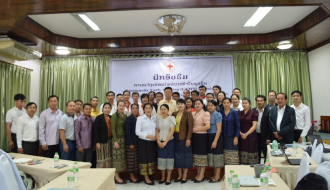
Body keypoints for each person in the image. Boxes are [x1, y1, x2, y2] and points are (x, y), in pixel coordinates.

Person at [172, 99, 193, 184]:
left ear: (185, 105)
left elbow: (190, 127)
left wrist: (188, 139)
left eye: (182, 104)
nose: (180, 105)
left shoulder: (188, 113)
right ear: (176, 105)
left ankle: (184, 176)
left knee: (186, 157)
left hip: (184, 138)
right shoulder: (174, 114)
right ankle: (179, 175)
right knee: (178, 157)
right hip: (175, 137)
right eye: (178, 104)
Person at [135, 103, 157, 185]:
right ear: (144, 110)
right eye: (146, 108)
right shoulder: (140, 118)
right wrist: (148, 136)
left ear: (152, 109)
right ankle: (146, 178)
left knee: (151, 159)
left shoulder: (155, 118)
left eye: (149, 108)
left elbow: (156, 129)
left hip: (152, 142)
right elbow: (137, 132)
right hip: (144, 142)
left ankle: (150, 175)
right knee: (144, 159)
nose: (148, 109)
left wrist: (155, 137)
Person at [192, 99, 210, 183]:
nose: (197, 105)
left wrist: (195, 130)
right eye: (196, 104)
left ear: (203, 105)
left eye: (199, 104)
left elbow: (207, 126)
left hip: (202, 136)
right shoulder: (193, 113)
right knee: (197, 156)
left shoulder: (205, 113)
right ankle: (198, 174)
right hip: (195, 136)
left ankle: (202, 175)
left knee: (202, 156)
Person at [156, 104, 175, 185]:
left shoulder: (171, 118)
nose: (163, 111)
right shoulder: (158, 119)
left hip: (169, 141)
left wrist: (165, 142)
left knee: (169, 159)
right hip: (160, 141)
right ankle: (163, 177)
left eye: (165, 109)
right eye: (162, 109)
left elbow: (172, 131)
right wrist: (158, 141)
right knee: (162, 159)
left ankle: (168, 177)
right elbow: (157, 130)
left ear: (168, 110)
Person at [207, 100, 224, 183]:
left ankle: (217, 176)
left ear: (215, 106)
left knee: (217, 157)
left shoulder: (217, 114)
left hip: (216, 136)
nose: (210, 107)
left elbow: (219, 129)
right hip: (209, 136)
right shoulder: (208, 114)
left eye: (211, 105)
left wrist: (215, 141)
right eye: (208, 105)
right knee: (213, 157)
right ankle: (214, 175)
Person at [238, 97, 258, 165]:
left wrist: (246, 134)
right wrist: (240, 133)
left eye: (246, 103)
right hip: (241, 136)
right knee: (242, 153)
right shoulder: (239, 113)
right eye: (243, 103)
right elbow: (237, 125)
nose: (244, 104)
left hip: (251, 136)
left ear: (250, 104)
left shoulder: (254, 112)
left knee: (251, 152)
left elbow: (254, 125)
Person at [111, 100, 127, 184]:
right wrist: (115, 140)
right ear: (117, 107)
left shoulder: (124, 116)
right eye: (120, 105)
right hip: (117, 139)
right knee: (116, 158)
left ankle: (119, 175)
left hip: (123, 139)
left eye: (123, 106)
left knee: (121, 158)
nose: (121, 107)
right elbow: (112, 128)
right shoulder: (115, 115)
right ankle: (116, 177)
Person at [220, 98, 240, 165]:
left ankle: (232, 172)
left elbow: (238, 126)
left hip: (232, 137)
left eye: (227, 103)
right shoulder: (220, 112)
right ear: (222, 104)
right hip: (222, 137)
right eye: (224, 103)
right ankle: (225, 172)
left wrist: (236, 137)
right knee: (224, 155)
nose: (226, 104)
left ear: (230, 103)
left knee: (232, 156)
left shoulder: (234, 112)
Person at [93, 102, 112, 168]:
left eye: (108, 108)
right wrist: (97, 142)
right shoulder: (99, 118)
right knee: (101, 159)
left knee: (109, 159)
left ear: (111, 109)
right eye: (105, 108)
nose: (107, 109)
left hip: (110, 142)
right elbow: (95, 131)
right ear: (103, 109)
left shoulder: (111, 117)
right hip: (101, 142)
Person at [125, 103, 140, 183]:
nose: (135, 110)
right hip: (131, 143)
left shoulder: (138, 118)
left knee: (135, 160)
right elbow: (128, 132)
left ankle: (135, 174)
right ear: (131, 109)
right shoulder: (129, 118)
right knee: (131, 160)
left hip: (137, 142)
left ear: (138, 109)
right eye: (133, 108)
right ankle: (131, 176)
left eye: (136, 108)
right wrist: (130, 143)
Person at [253, 95, 270, 163]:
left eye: (261, 101)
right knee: (256, 153)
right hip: (255, 136)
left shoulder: (268, 111)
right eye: (258, 101)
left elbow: (270, 126)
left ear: (265, 101)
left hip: (265, 136)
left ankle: (267, 169)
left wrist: (268, 138)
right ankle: (257, 168)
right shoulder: (253, 110)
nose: (259, 102)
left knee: (266, 154)